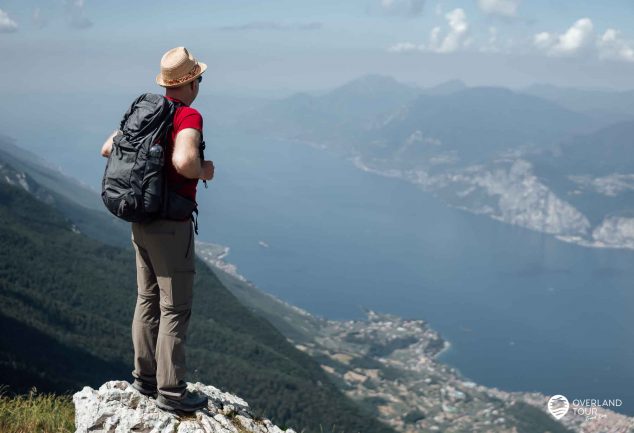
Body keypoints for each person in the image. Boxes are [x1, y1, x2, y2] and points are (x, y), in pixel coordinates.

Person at [100, 46, 214, 412]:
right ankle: (172, 393)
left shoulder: (147, 112)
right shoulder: (188, 116)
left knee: (146, 299)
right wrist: (204, 169)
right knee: (175, 308)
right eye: (198, 78)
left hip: (141, 220)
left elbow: (107, 149)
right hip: (171, 227)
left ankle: (144, 379)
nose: (199, 83)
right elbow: (184, 161)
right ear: (191, 82)